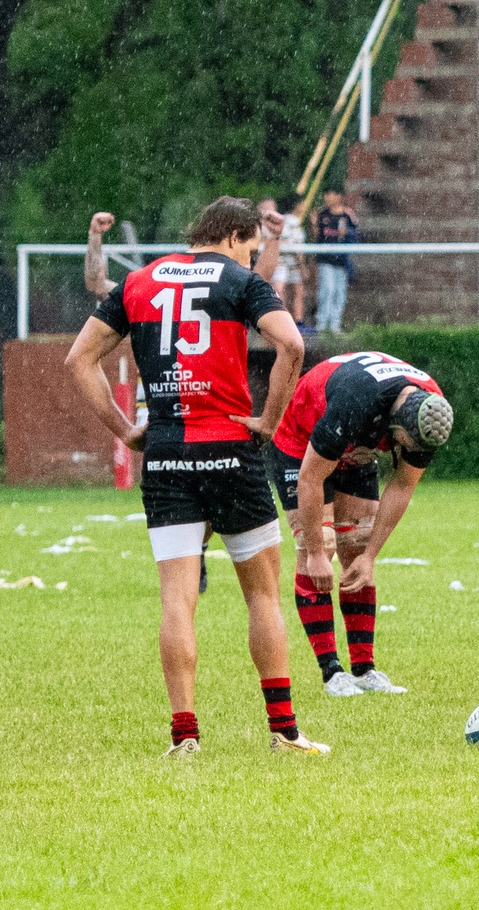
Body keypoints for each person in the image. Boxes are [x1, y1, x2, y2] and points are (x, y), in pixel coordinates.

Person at [64, 196, 318, 755]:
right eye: (252, 248)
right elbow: (291, 343)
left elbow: (78, 359)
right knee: (263, 597)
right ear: (232, 237)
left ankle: (185, 736)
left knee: (177, 600)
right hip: (232, 446)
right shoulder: (239, 281)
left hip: (168, 453)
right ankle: (283, 731)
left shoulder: (142, 281)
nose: (253, 260)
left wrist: (126, 429)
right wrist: (270, 421)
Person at [270, 350, 454, 696]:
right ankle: (331, 672)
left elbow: (402, 486)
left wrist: (371, 555)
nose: (401, 450)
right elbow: (309, 478)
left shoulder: (431, 411)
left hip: (356, 445)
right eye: (401, 443)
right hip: (301, 440)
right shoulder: (357, 401)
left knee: (357, 544)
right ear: (395, 426)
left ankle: (364, 668)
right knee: (320, 547)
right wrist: (314, 554)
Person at [312, 190, 360, 334]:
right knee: (328, 289)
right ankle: (322, 323)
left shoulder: (347, 214)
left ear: (339, 196)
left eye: (330, 194)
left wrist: (347, 234)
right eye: (325, 194)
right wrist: (314, 225)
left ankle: (335, 324)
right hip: (325, 259)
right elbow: (317, 238)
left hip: (342, 260)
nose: (327, 198)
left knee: (340, 291)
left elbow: (356, 235)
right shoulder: (321, 215)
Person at [271, 194, 308, 327]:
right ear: (296, 205)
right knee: (297, 292)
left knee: (283, 292)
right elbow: (296, 246)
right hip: (290, 263)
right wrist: (302, 265)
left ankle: (283, 322)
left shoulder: (281, 220)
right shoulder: (294, 222)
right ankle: (297, 322)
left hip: (281, 261)